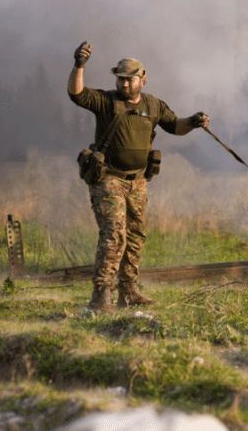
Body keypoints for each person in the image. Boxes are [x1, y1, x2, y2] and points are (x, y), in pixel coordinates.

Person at [68, 41, 208, 313]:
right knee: (114, 235)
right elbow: (77, 94)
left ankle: (128, 291)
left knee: (135, 235)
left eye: (130, 80)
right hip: (108, 179)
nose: (124, 84)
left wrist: (193, 121)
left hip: (138, 181)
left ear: (143, 80)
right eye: (120, 79)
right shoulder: (107, 101)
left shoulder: (154, 105)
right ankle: (101, 296)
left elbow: (175, 126)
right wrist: (79, 65)